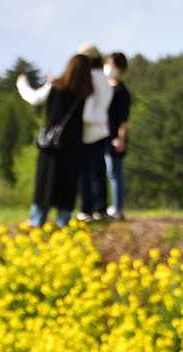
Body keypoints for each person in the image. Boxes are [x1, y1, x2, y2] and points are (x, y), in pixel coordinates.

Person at [17, 54, 95, 229]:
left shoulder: (54, 85)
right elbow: (90, 119)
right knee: (67, 187)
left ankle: (37, 222)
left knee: (44, 185)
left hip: (51, 145)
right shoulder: (86, 93)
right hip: (72, 146)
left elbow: (34, 98)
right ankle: (62, 224)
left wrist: (21, 83)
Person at [76, 44, 116, 220]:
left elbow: (88, 105)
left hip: (87, 129)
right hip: (102, 127)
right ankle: (100, 208)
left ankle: (87, 209)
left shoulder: (89, 77)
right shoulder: (104, 78)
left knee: (85, 171)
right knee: (99, 170)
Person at [105, 52, 132, 219]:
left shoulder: (121, 92)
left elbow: (124, 120)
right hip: (103, 135)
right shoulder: (106, 88)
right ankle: (110, 207)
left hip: (115, 137)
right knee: (108, 173)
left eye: (111, 64)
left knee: (115, 173)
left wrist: (120, 138)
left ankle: (117, 208)